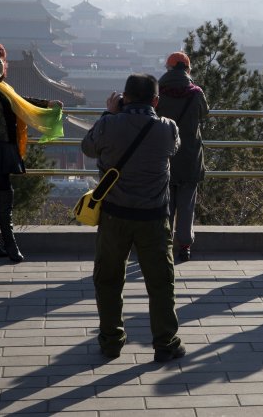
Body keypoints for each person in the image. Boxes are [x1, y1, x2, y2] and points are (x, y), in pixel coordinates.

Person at [81, 74, 186, 362]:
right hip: (154, 217)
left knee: (109, 279)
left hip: (115, 215)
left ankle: (111, 340)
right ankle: (166, 343)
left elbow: (87, 148)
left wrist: (109, 113)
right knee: (161, 283)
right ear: (156, 101)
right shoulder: (168, 128)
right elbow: (173, 150)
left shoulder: (108, 124)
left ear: (123, 97)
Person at [0, 43, 63, 263]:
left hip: (7, 147)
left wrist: (47, 103)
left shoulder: (3, 87)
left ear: (5, 65)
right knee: (5, 193)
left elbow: (21, 102)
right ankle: (10, 244)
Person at [156, 51, 209, 263]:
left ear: (168, 69)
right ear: (187, 69)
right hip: (189, 156)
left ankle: (164, 243)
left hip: (165, 154)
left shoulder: (159, 92)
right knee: (187, 205)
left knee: (165, 203)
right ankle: (185, 246)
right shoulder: (195, 93)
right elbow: (204, 113)